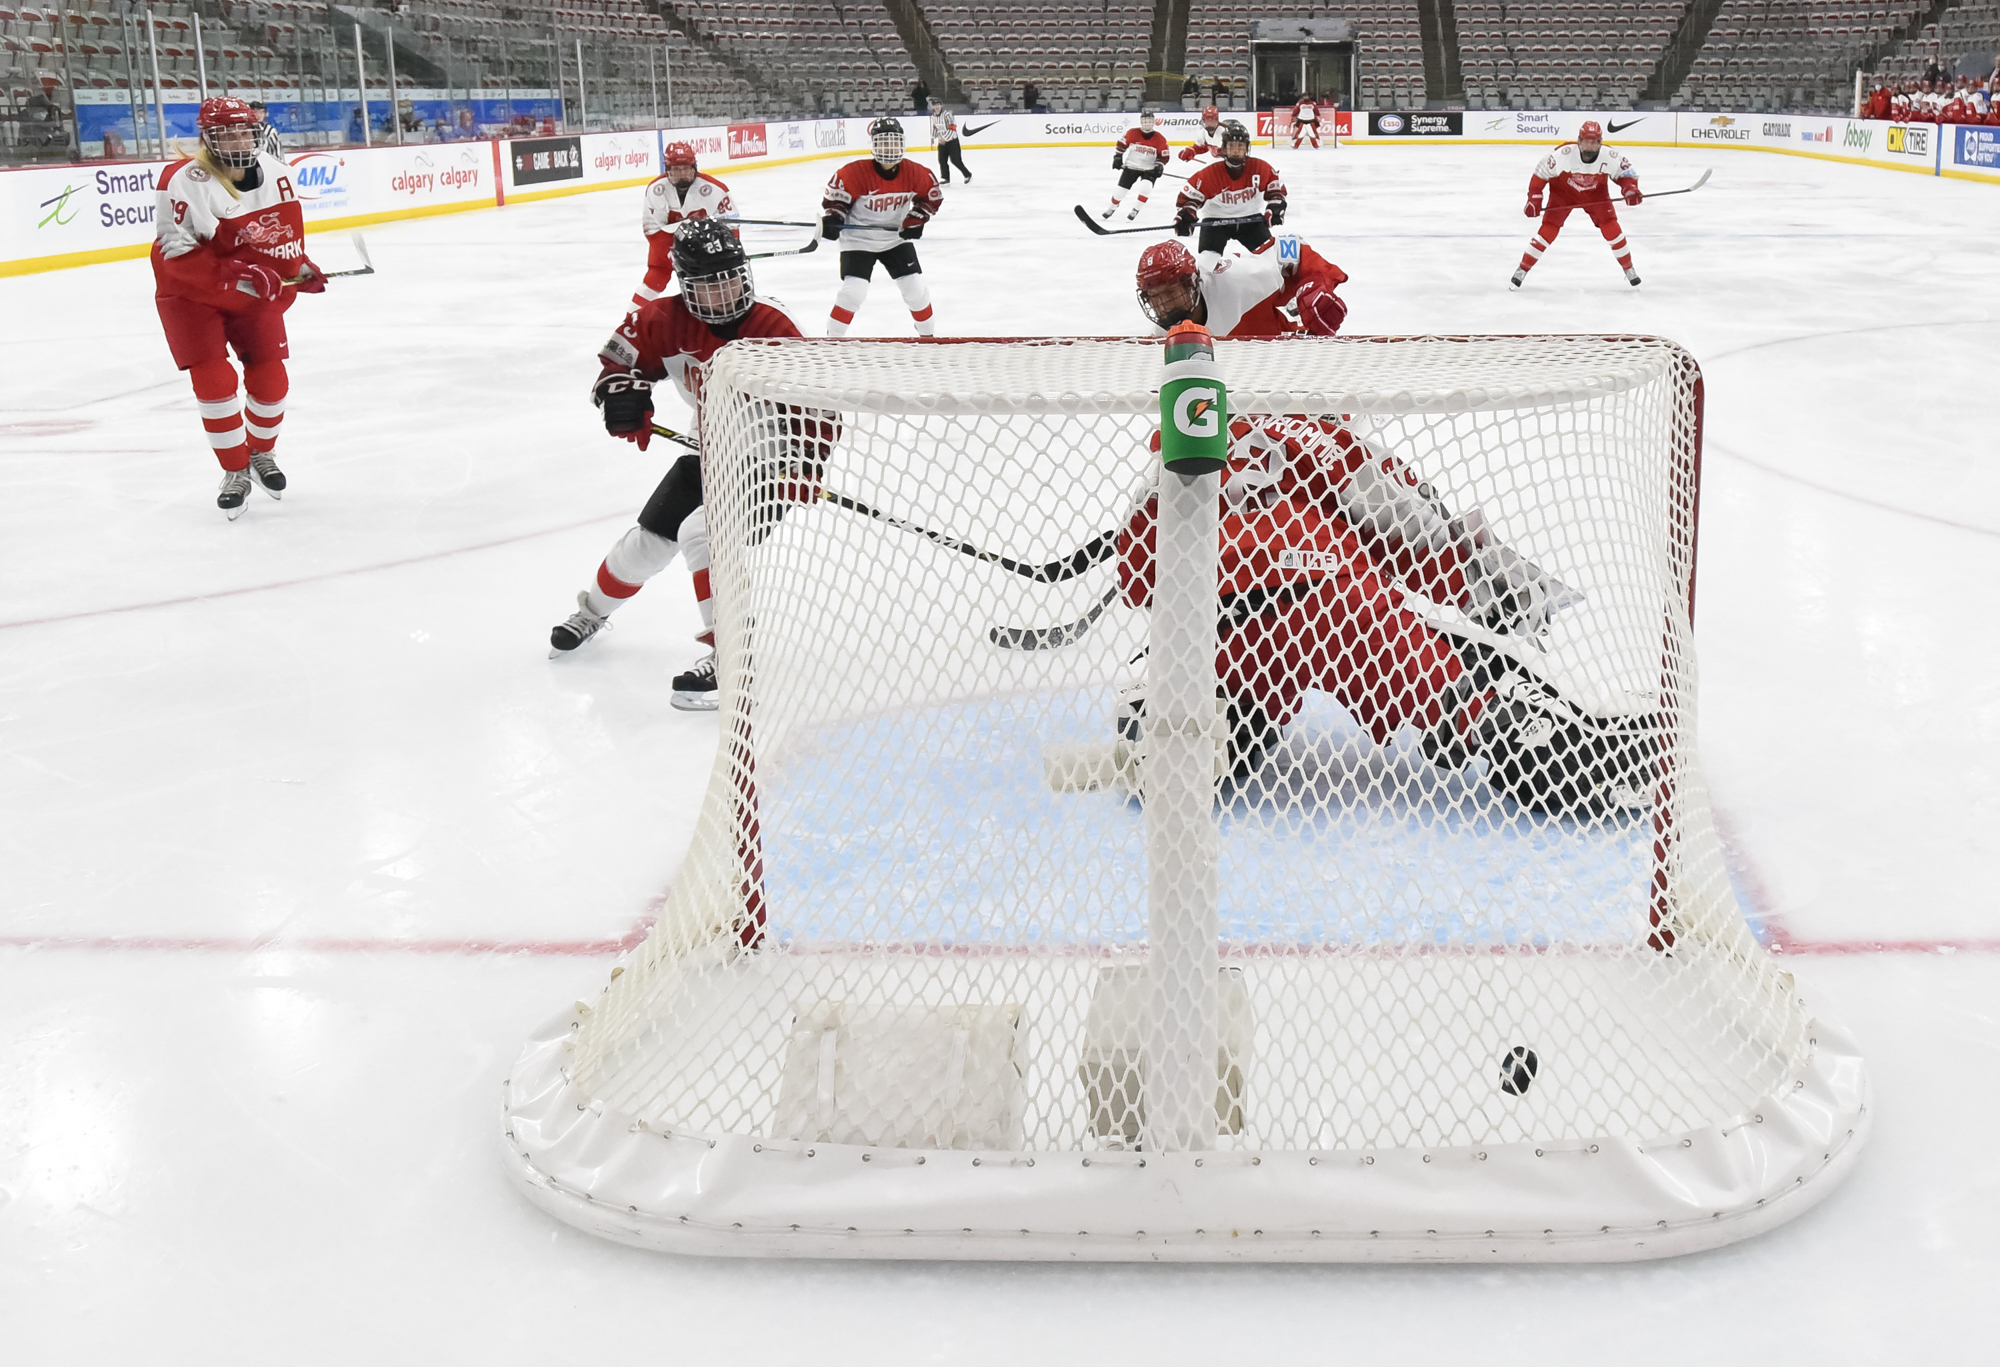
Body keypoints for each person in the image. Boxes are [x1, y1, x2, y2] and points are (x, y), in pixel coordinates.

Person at [1110, 388, 1647, 815]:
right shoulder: (1329, 441)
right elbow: (1414, 534)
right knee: (1399, 632)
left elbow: (1133, 573)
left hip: (1209, 632)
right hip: (1317, 600)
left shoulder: (1193, 436)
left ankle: (1182, 704)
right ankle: (1520, 729)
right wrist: (1496, 595)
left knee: (1253, 686)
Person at [547, 220, 834, 710]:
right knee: (642, 548)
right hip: (710, 451)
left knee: (702, 531)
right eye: (709, 285)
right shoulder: (663, 319)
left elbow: (819, 405)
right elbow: (617, 368)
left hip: (772, 462)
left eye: (731, 280)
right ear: (685, 287)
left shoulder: (774, 327)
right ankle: (592, 612)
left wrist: (807, 462)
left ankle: (731, 658)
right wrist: (622, 397)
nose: (725, 294)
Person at [151, 96, 325, 519]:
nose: (238, 140)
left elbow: (278, 239)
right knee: (214, 381)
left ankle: (261, 453)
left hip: (249, 290)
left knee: (272, 380)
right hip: (191, 293)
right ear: (207, 139)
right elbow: (173, 252)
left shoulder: (279, 174)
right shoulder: (182, 179)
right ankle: (235, 470)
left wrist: (299, 266)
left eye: (244, 132)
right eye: (226, 134)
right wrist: (237, 273)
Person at [820, 117, 944, 336]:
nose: (890, 148)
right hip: (858, 241)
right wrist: (834, 219)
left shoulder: (916, 173)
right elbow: (837, 203)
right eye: (884, 143)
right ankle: (832, 341)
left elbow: (930, 198)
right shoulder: (854, 173)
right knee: (854, 292)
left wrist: (917, 218)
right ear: (874, 145)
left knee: (915, 290)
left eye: (894, 143)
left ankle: (928, 338)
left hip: (894, 239)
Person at [1133, 235, 1348, 340]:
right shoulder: (1161, 339)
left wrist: (1316, 284)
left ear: (1192, 283)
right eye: (1155, 298)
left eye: (1170, 292)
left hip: (1286, 369)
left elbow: (1289, 245)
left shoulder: (1238, 279)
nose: (1164, 305)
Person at [1511, 120, 1642, 290]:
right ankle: (1523, 268)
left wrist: (1630, 189)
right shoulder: (1563, 154)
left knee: (1611, 227)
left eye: (1594, 142)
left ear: (1600, 142)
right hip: (1563, 194)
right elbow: (1541, 173)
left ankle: (1629, 268)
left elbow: (1627, 174)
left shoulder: (1610, 156)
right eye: (1586, 141)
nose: (1590, 146)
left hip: (1596, 195)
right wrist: (1534, 197)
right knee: (1549, 228)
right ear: (1579, 141)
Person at [634, 139, 734, 309]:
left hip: (704, 242)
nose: (682, 174)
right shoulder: (656, 190)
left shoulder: (716, 190)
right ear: (667, 170)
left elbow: (732, 227)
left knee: (713, 278)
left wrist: (724, 252)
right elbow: (654, 229)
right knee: (657, 275)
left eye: (686, 169)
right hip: (665, 238)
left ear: (694, 167)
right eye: (676, 170)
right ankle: (631, 319)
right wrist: (679, 247)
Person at [1174, 120, 1285, 255]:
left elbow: (1277, 191)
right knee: (1206, 264)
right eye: (1232, 146)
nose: (1236, 151)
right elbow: (1188, 199)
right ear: (1224, 148)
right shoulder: (1210, 173)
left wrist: (1275, 206)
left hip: (1251, 221)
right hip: (1216, 222)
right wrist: (1187, 214)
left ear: (1247, 148)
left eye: (1240, 146)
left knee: (1270, 259)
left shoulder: (1260, 168)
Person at [1102, 107, 1169, 220]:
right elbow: (1122, 144)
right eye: (1145, 121)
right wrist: (1118, 156)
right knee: (1120, 192)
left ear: (1153, 122)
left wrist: (1160, 165)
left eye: (1149, 121)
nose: (1147, 124)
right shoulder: (1132, 133)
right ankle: (1112, 207)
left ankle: (1136, 209)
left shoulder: (1160, 138)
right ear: (1141, 122)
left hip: (1149, 169)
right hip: (1131, 166)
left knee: (1146, 188)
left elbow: (1164, 155)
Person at [930, 97, 972, 183]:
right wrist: (933, 137)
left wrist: (945, 139)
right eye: (935, 105)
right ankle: (945, 178)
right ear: (932, 106)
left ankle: (967, 174)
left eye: (938, 104)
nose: (937, 106)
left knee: (955, 160)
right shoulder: (933, 117)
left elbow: (952, 127)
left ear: (941, 105)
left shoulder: (947, 115)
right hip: (941, 142)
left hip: (952, 141)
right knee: (942, 160)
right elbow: (935, 127)